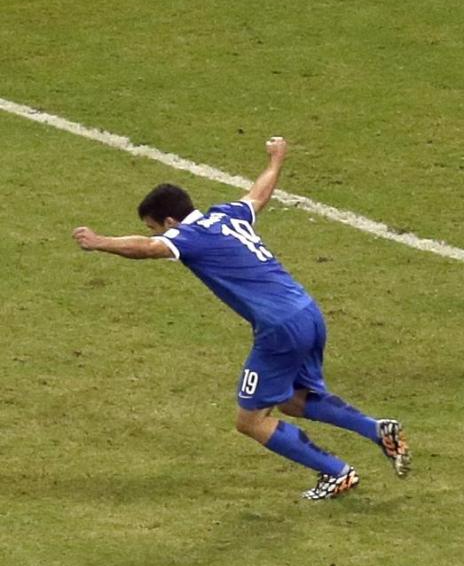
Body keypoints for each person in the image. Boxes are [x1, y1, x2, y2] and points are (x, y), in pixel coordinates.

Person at [72, 137, 410, 501]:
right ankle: (376, 430)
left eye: (157, 227)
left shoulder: (188, 236)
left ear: (170, 220)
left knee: (249, 421)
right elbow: (258, 195)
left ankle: (336, 472)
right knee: (292, 399)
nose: (158, 234)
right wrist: (276, 160)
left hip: (279, 328)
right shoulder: (228, 215)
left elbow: (148, 248)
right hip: (308, 312)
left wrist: (100, 242)